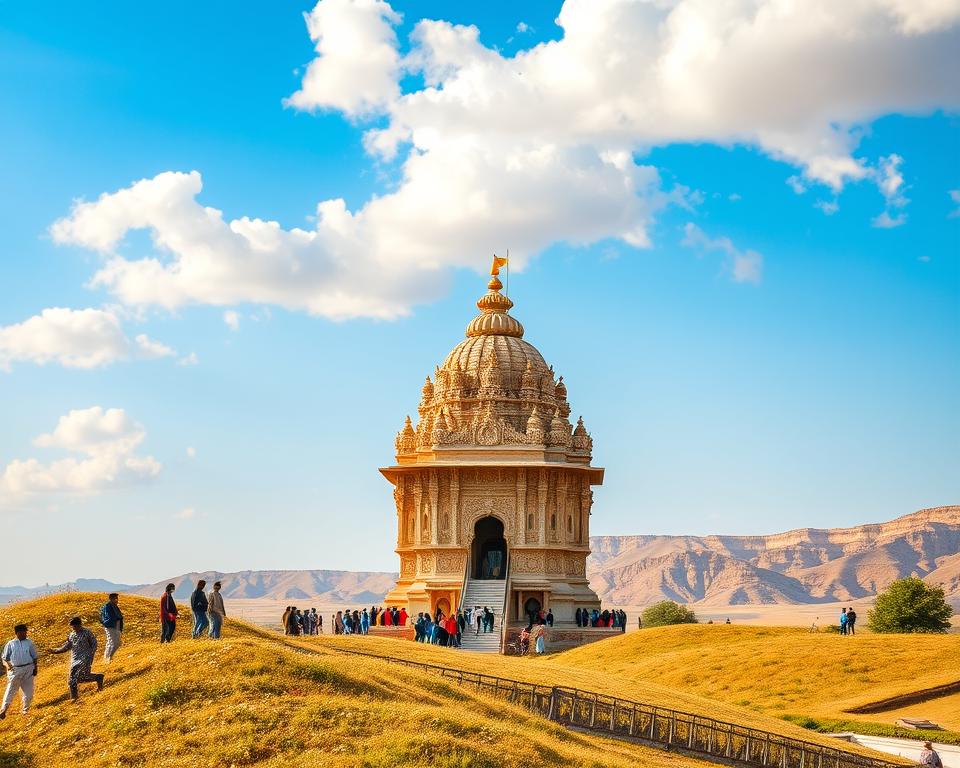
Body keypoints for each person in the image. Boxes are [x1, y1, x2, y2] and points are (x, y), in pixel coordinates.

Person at [50, 617, 103, 701]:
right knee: (77, 678)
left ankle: (75, 697)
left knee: (77, 677)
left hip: (85, 658)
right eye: (72, 627)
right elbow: (67, 647)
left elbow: (94, 644)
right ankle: (97, 678)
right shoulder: (72, 634)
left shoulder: (87, 633)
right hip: (75, 659)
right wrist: (55, 651)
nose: (73, 628)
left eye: (75, 626)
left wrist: (90, 656)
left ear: (79, 625)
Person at [1, 623, 38, 719]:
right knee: (11, 689)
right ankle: (3, 710)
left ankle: (25, 710)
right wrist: (8, 666)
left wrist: (35, 668)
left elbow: (34, 657)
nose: (25, 634)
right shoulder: (10, 644)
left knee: (29, 692)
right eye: (23, 632)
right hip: (15, 670)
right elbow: (4, 658)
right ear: (17, 633)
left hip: (29, 669)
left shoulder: (29, 643)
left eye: (26, 632)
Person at [99, 593, 124, 662]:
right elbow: (109, 617)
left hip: (116, 626)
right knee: (115, 643)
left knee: (111, 642)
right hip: (111, 626)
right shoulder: (108, 606)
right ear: (111, 599)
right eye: (115, 598)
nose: (117, 600)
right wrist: (107, 623)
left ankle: (107, 658)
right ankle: (109, 658)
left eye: (117, 598)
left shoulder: (114, 606)